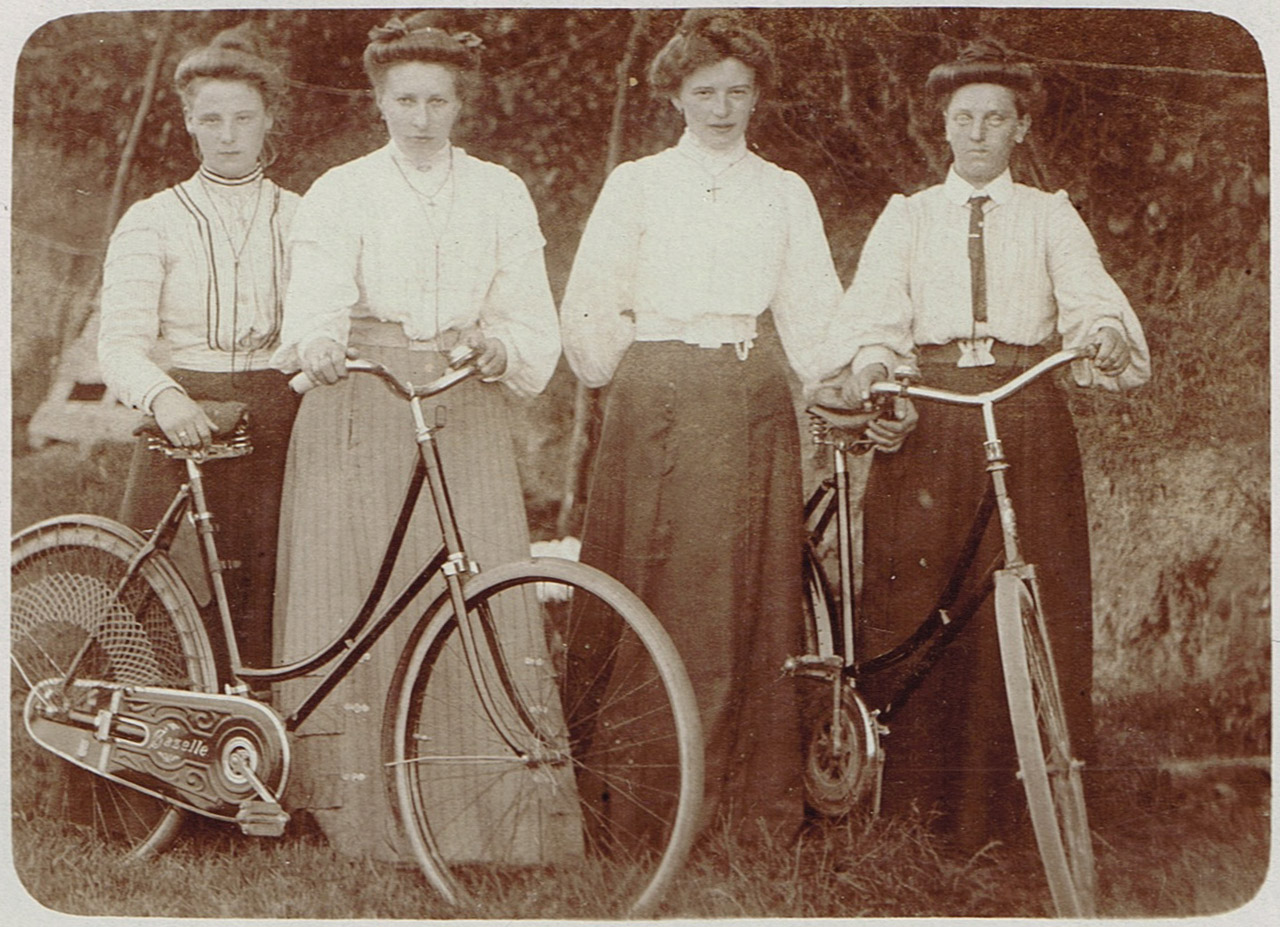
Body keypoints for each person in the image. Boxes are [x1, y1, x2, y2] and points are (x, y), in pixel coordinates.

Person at [839, 39, 1150, 854]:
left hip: (1023, 408)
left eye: (995, 118)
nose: (978, 132)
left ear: (1019, 129)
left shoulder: (1050, 214)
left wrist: (1104, 337)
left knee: (1036, 594)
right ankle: (915, 816)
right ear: (943, 127)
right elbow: (873, 318)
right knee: (919, 601)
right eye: (963, 118)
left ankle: (1029, 818)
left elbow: (1090, 302)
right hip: (933, 413)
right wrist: (879, 372)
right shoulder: (908, 216)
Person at [270, 13, 566, 863]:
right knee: (363, 585)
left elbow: (524, 306)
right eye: (406, 99)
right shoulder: (343, 188)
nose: (422, 117)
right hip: (363, 396)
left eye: (438, 100)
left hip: (458, 396)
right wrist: (322, 340)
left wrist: (501, 345)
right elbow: (317, 294)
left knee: (469, 581)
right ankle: (352, 814)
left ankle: (481, 814)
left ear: (460, 103)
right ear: (379, 100)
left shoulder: (499, 189)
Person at [560, 9, 852, 841]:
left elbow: (813, 311)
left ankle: (744, 810)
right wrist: (638, 363)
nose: (721, 108)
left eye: (737, 91)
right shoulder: (639, 184)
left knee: (749, 594)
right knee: (654, 584)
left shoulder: (784, 189)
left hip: (751, 395)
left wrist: (840, 372)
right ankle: (636, 811)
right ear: (676, 97)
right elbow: (588, 308)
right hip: (657, 397)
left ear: (757, 95)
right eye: (704, 92)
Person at [99, 23, 300, 669]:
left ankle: (257, 743)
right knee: (156, 595)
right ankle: (131, 745)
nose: (228, 134)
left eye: (244, 117)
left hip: (278, 419)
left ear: (270, 118)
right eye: (211, 118)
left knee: (271, 591)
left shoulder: (304, 215)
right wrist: (164, 397)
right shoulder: (153, 218)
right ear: (188, 121)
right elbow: (120, 342)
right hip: (181, 417)